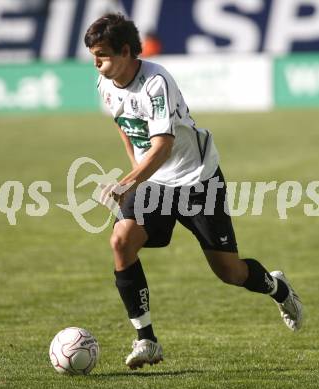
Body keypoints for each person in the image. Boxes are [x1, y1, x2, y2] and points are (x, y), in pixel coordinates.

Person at [84, 13, 303, 370]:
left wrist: (128, 182)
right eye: (93, 55)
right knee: (121, 241)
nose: (96, 63)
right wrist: (137, 182)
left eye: (102, 55)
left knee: (229, 272)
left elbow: (163, 146)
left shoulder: (156, 82)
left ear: (126, 51)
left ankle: (278, 289)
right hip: (155, 181)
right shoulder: (104, 84)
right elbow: (128, 132)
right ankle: (146, 339)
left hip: (197, 180)